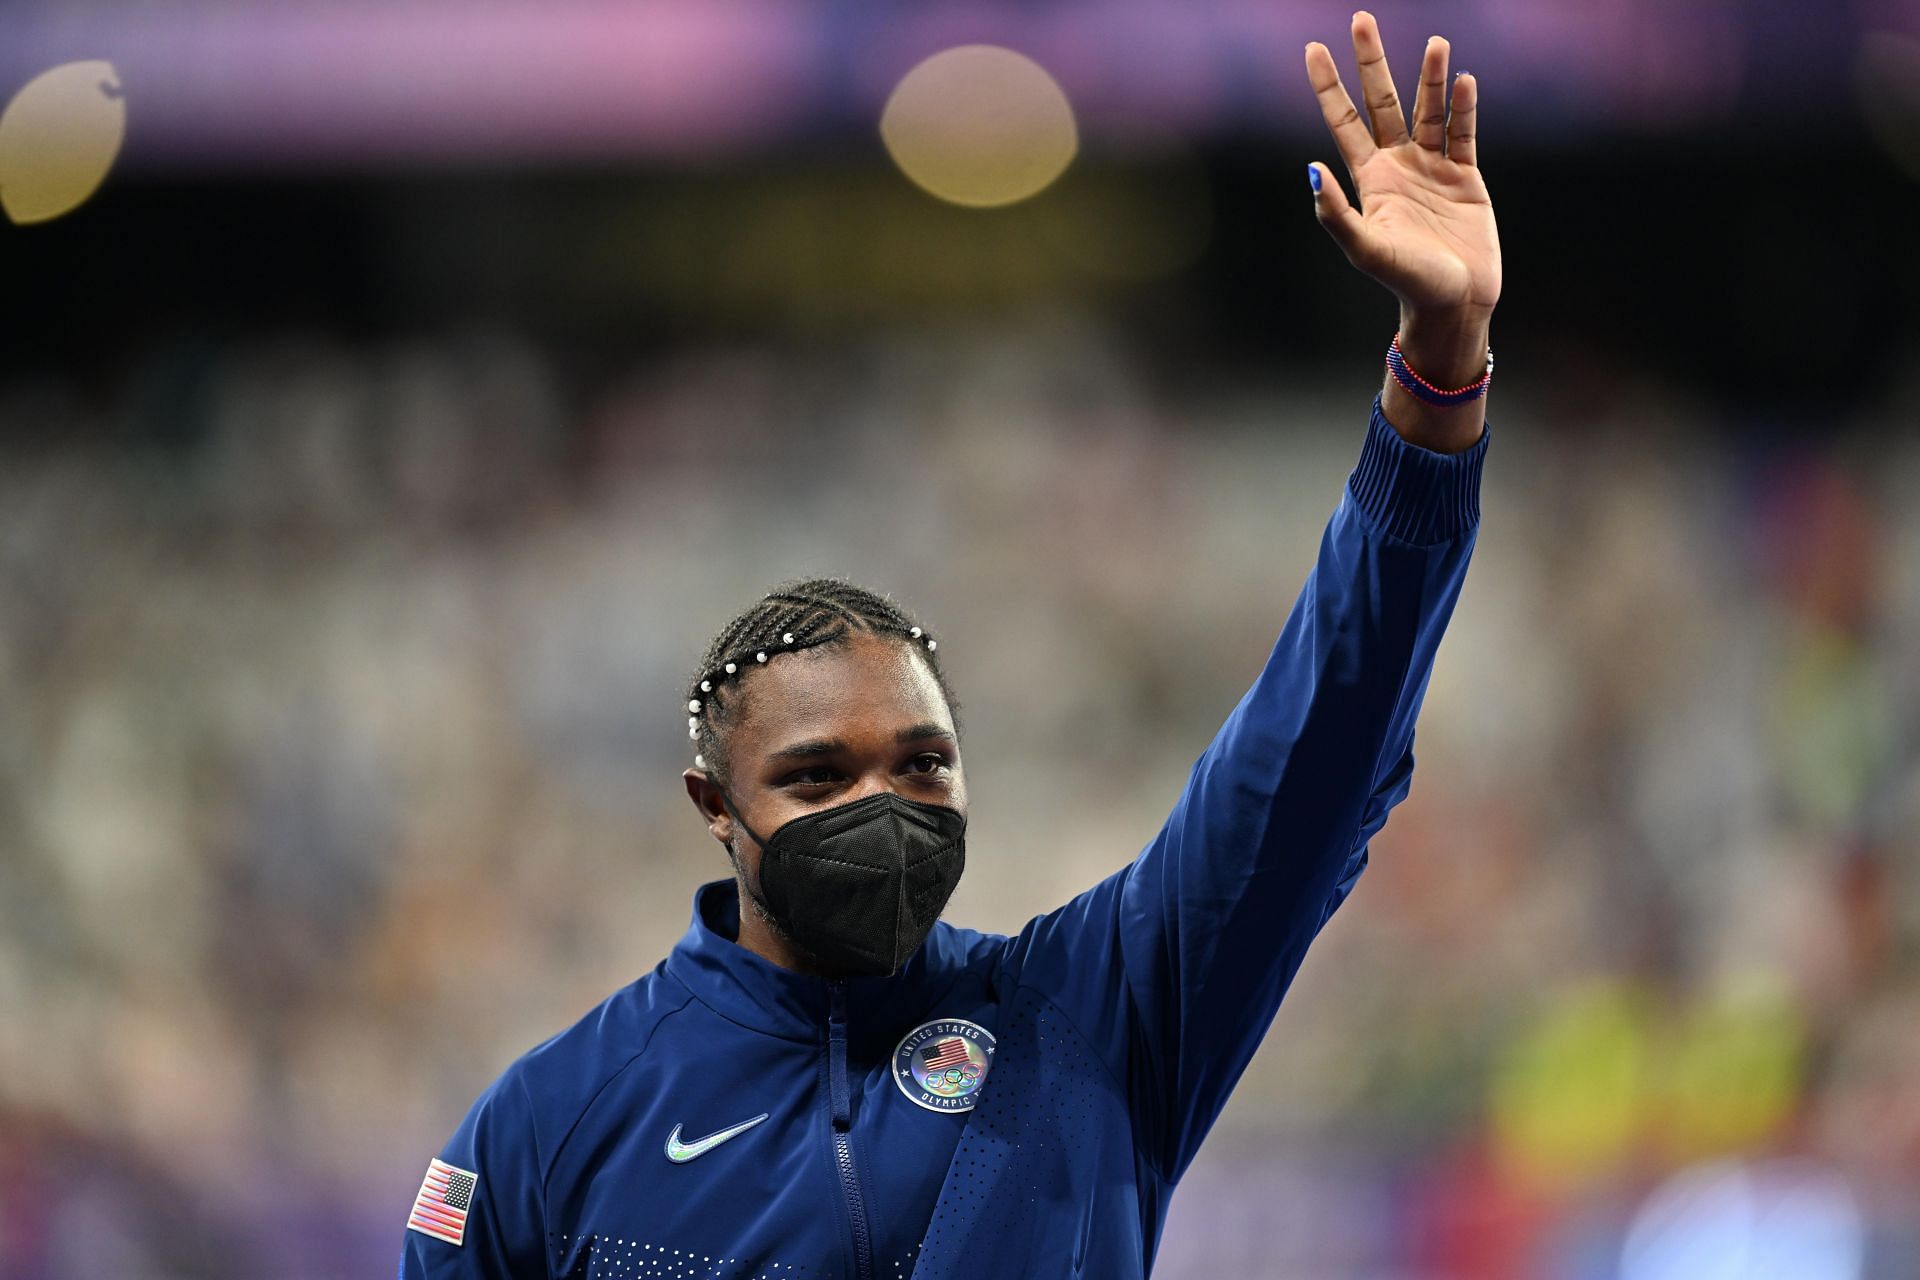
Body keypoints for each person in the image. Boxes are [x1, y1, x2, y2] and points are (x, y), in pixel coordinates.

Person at [398, 11, 1500, 1278]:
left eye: (922, 764)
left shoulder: (1092, 1015)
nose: (883, 804)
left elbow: (1321, 743)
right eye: (819, 776)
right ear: (715, 802)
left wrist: (1440, 366)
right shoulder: (555, 1121)